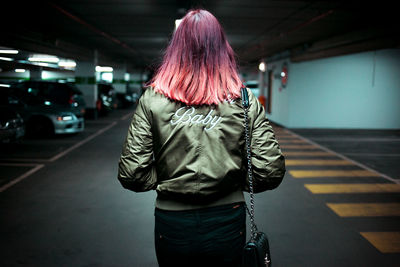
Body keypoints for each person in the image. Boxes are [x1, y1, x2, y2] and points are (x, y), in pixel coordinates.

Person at [117, 9, 285, 267]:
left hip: (172, 220)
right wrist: (227, 180)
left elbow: (132, 174)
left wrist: (169, 181)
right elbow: (269, 170)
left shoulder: (153, 99)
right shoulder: (243, 100)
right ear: (222, 48)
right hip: (228, 218)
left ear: (176, 49)